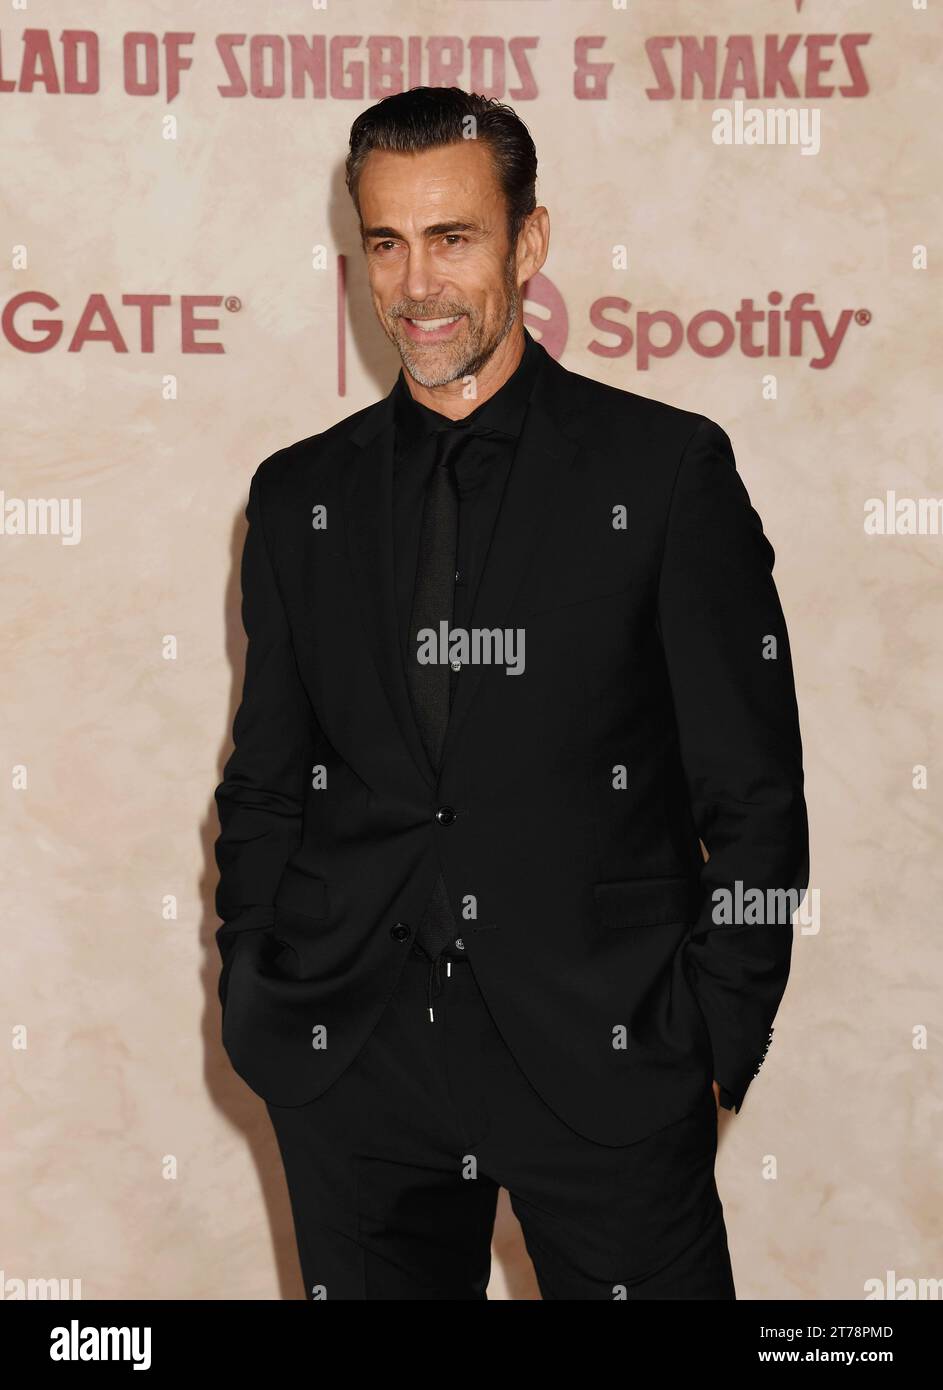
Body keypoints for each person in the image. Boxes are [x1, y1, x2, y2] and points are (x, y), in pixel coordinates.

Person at [213, 85, 809, 1300]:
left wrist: (707, 1039)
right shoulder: (296, 499)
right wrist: (261, 993)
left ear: (528, 244)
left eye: (453, 238)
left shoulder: (664, 473)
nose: (416, 285)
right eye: (385, 242)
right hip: (355, 1060)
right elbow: (268, 778)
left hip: (604, 1051)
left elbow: (754, 794)